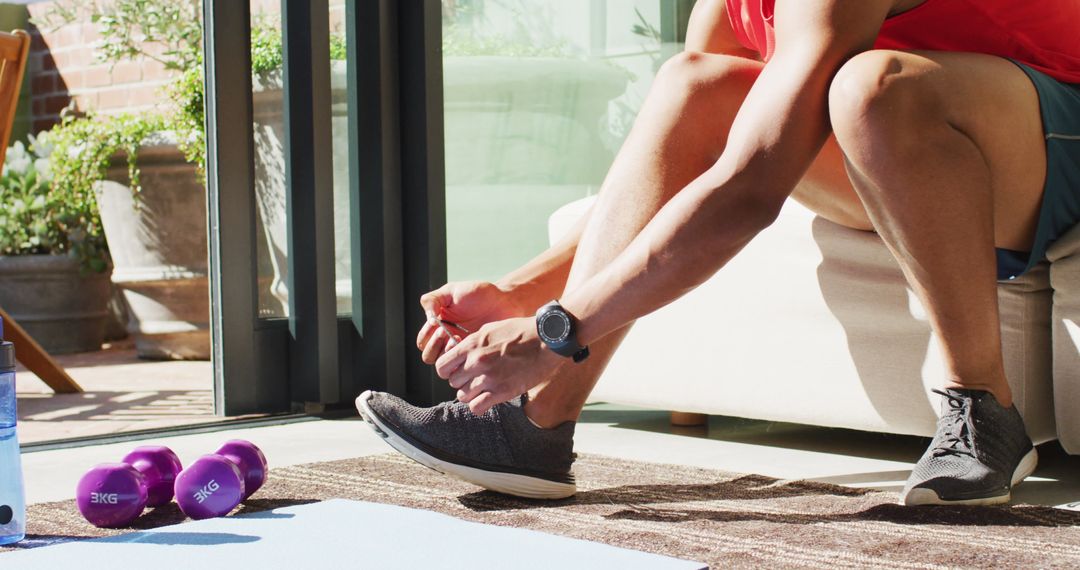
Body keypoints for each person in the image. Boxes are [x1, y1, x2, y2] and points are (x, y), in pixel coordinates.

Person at [355, 0, 1080, 506]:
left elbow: (751, 184)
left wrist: (557, 327)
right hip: (914, 157)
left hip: (1048, 141)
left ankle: (983, 411)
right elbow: (700, 157)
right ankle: (533, 428)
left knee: (872, 87)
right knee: (694, 82)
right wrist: (528, 289)